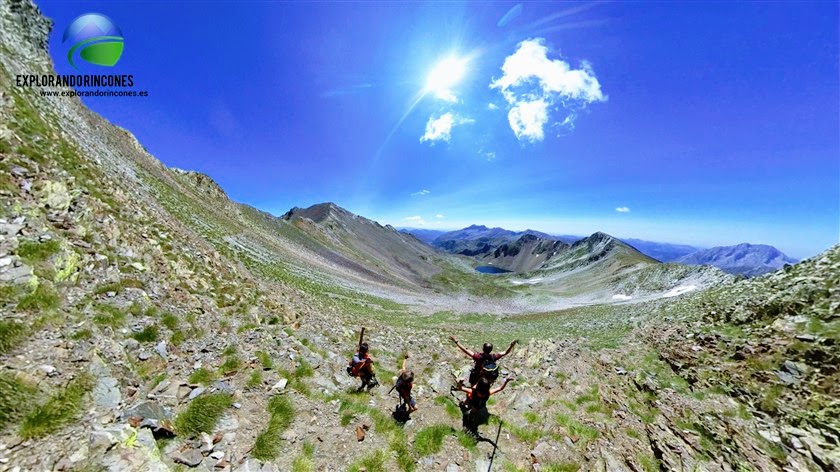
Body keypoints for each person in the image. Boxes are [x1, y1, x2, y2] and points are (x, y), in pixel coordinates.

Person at [449, 336, 517, 386]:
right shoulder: (493, 357)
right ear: (491, 350)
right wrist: (511, 346)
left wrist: (456, 342)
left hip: (477, 375)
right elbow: (505, 352)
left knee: (473, 385)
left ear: (483, 349)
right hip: (487, 377)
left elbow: (465, 350)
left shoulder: (478, 357)